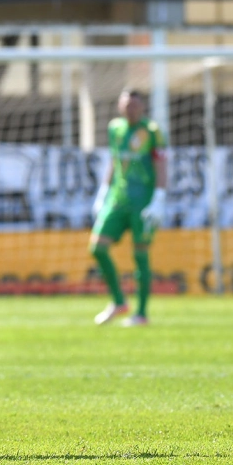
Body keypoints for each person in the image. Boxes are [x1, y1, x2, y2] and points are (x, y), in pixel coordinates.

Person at [89, 89, 167, 327]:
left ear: (142, 107)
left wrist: (160, 198)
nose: (129, 109)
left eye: (134, 105)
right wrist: (103, 191)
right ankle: (119, 301)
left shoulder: (152, 131)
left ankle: (141, 313)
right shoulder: (115, 128)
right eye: (126, 105)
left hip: (143, 200)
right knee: (97, 248)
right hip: (117, 198)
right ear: (120, 107)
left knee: (140, 254)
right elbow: (114, 159)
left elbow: (162, 163)